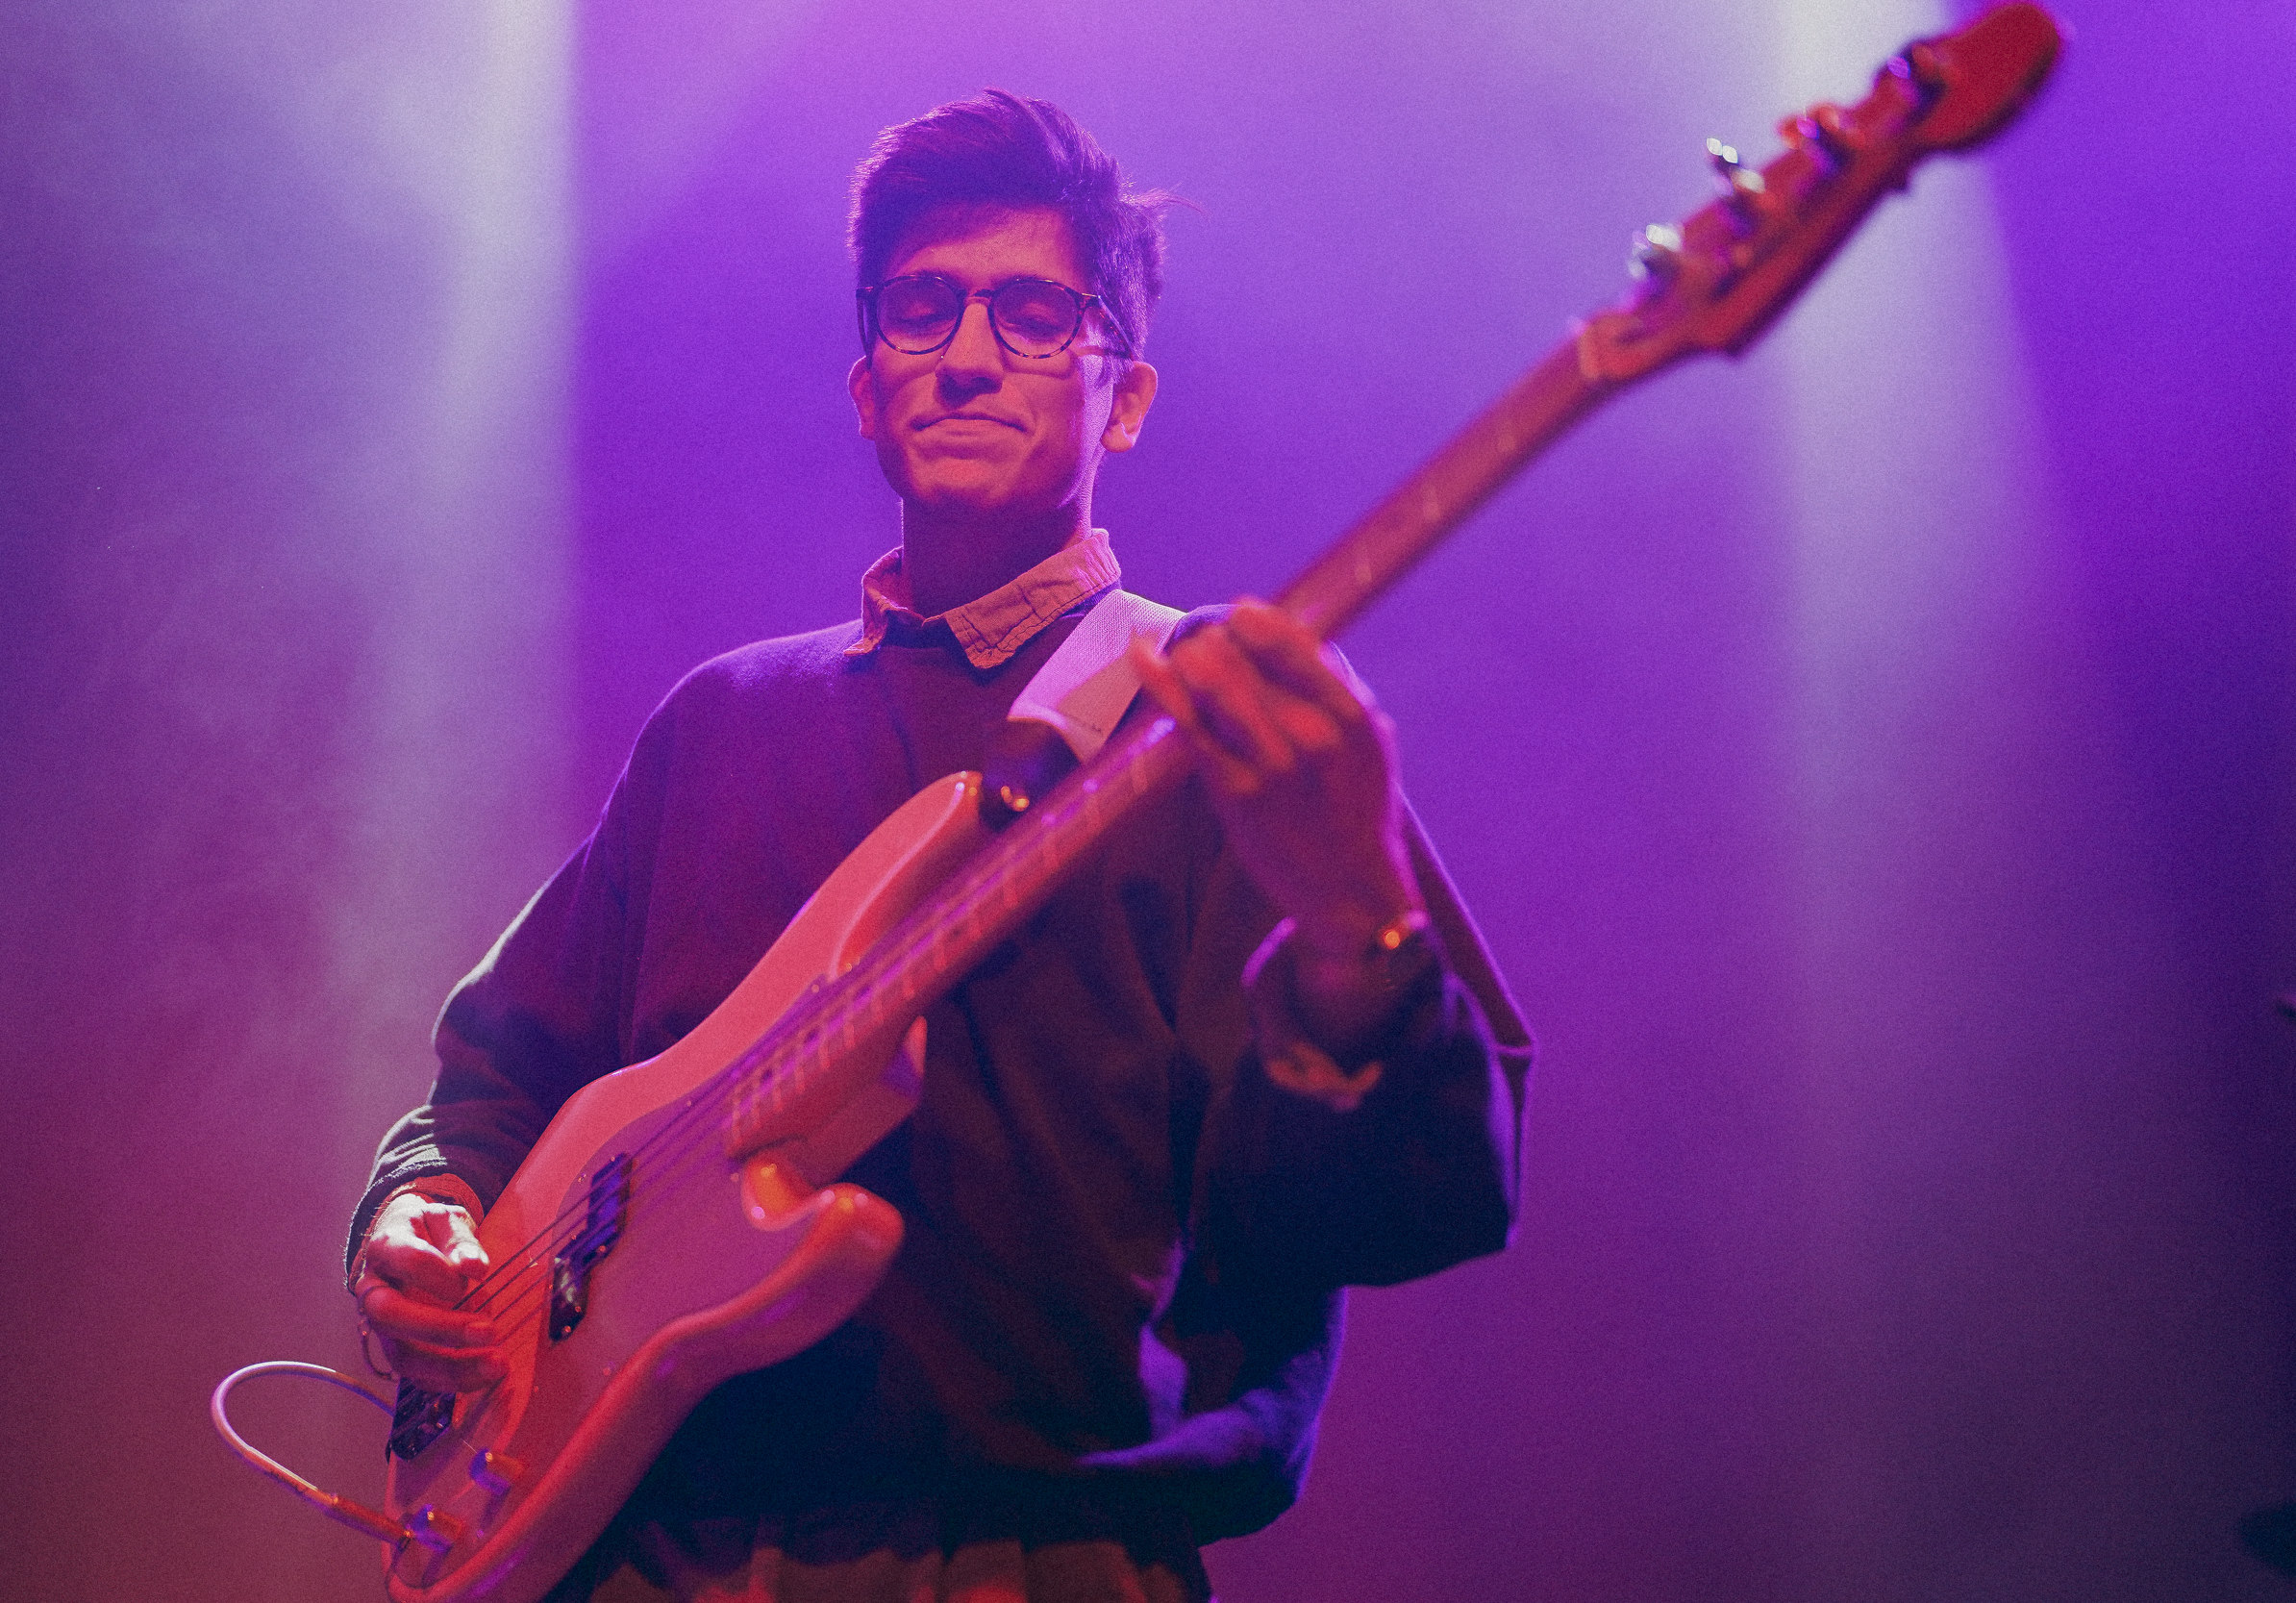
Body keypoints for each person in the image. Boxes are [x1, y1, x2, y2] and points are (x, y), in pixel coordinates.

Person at [345, 89, 1530, 1603]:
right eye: (922, 310)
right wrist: (423, 1206)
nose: (968, 354)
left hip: (1031, 1555)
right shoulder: (720, 722)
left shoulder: (1206, 724)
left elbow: (1414, 1203)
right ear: (867, 388)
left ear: (1125, 399)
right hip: (639, 1548)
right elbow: (498, 1077)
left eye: (1035, 315)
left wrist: (1364, 939)